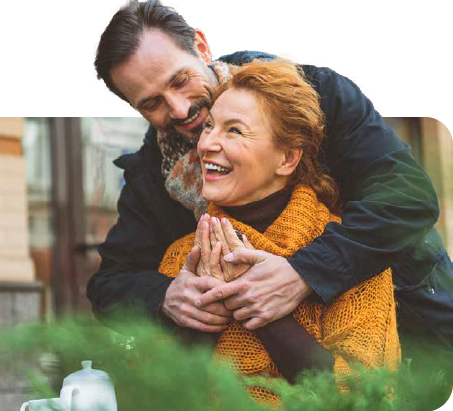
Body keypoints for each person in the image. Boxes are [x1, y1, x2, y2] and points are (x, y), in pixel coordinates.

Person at [87, 0, 453, 353]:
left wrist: (305, 273)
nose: (180, 110)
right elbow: (110, 284)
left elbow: (408, 197)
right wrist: (165, 297)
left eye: (180, 80)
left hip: (418, 324)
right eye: (151, 104)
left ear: (201, 46)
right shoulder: (153, 174)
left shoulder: (317, 94)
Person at [157, 59, 400, 404]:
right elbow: (160, 395)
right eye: (209, 126)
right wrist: (200, 317)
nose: (207, 143)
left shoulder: (353, 257)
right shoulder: (185, 257)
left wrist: (251, 301)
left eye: (234, 131)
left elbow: (357, 398)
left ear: (287, 159)